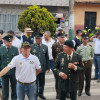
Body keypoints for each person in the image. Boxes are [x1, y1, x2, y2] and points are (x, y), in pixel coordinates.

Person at [31, 32, 49, 100]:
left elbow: (46, 58)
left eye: (39, 38)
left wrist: (48, 67)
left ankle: (41, 94)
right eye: (36, 38)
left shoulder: (45, 47)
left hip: (42, 68)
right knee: (35, 83)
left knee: (42, 82)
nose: (37, 40)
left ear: (41, 39)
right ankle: (35, 95)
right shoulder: (32, 46)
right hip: (34, 68)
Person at [0, 35, 19, 100]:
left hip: (13, 72)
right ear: (5, 42)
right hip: (3, 72)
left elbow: (17, 61)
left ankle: (14, 98)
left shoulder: (15, 49)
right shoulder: (1, 49)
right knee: (5, 87)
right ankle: (5, 98)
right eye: (8, 42)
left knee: (14, 86)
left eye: (11, 41)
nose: (10, 43)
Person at [52, 31, 65, 99]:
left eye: (63, 37)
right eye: (61, 37)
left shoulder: (67, 44)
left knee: (66, 79)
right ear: (58, 38)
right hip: (58, 65)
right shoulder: (55, 45)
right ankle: (58, 93)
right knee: (58, 80)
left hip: (66, 65)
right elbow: (53, 55)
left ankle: (67, 93)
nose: (63, 38)